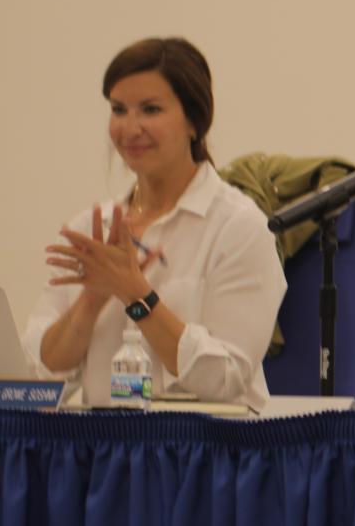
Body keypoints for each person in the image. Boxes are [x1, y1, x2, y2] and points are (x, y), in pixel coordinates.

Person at [24, 37, 285, 412]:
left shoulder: (239, 228)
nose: (129, 129)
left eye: (150, 109)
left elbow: (225, 379)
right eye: (118, 110)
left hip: (205, 454)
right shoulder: (92, 229)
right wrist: (93, 299)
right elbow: (41, 376)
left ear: (195, 121)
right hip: (102, 451)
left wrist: (136, 295)